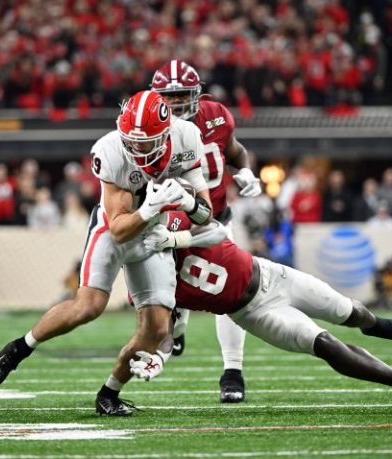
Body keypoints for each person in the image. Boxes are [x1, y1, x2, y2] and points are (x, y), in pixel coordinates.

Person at [0, 90, 213, 416]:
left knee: (158, 329)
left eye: (144, 142)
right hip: (112, 229)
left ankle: (109, 394)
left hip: (155, 236)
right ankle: (20, 348)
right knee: (88, 306)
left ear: (165, 135)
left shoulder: (186, 137)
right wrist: (150, 208)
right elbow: (119, 228)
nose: (134, 147)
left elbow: (206, 215)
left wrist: (188, 203)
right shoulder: (111, 150)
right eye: (130, 139)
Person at [98, 213, 392, 416]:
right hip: (253, 312)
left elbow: (218, 229)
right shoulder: (143, 284)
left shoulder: (170, 219)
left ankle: (375, 325)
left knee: (348, 310)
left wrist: (178, 240)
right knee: (325, 344)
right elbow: (160, 330)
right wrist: (159, 358)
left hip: (272, 274)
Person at [150, 59, 262, 403]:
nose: (176, 103)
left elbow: (236, 151)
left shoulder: (216, 116)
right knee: (164, 292)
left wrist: (245, 171)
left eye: (182, 95)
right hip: (169, 225)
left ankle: (233, 371)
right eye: (168, 97)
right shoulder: (149, 124)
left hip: (216, 221)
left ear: (196, 93)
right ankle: (176, 325)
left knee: (232, 295)